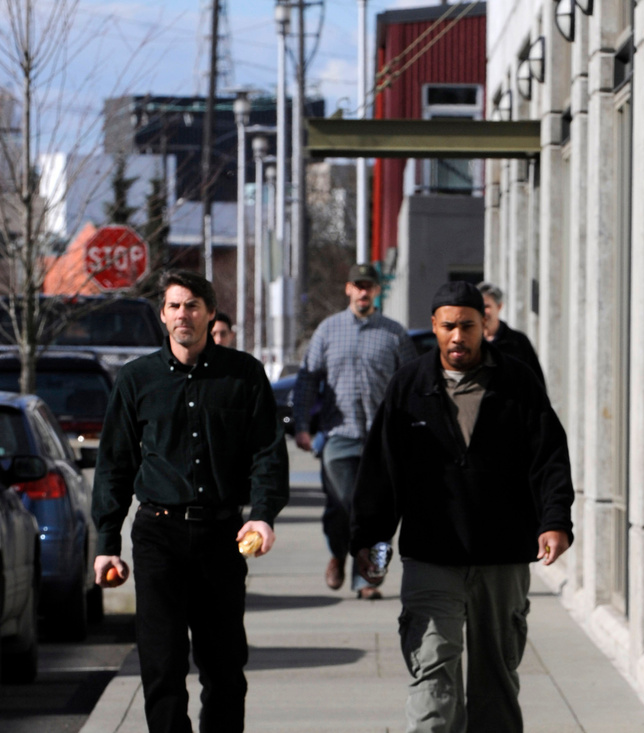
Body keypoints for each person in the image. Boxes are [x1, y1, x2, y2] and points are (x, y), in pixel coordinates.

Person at [351, 280, 574, 733]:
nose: (458, 336)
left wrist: (555, 522)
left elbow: (548, 457)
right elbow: (380, 470)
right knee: (431, 675)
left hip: (503, 556)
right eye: (449, 326)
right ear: (433, 326)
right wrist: (370, 543)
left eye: (468, 326)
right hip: (432, 555)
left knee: (496, 680)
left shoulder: (517, 382)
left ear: (484, 325)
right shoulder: (409, 385)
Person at [91, 269, 289, 733]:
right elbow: (114, 462)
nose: (184, 314)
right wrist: (107, 542)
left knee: (224, 668)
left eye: (193, 305)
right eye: (175, 306)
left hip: (222, 535)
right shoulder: (137, 379)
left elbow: (267, 452)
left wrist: (262, 516)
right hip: (159, 534)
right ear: (163, 316)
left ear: (210, 313)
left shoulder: (243, 375)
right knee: (162, 666)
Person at [292, 262, 417, 599]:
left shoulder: (394, 334)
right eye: (358, 285)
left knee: (381, 509)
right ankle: (338, 553)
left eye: (369, 286)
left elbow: (412, 387)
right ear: (348, 289)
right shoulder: (328, 331)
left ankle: (368, 577)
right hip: (338, 436)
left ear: (377, 291)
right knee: (342, 506)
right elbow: (307, 380)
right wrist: (302, 426)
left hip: (382, 440)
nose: (363, 292)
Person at [476, 281, 546, 390]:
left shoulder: (518, 342)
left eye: (487, 306)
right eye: (479, 307)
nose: (483, 312)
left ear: (499, 306)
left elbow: (536, 382)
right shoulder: (472, 343)